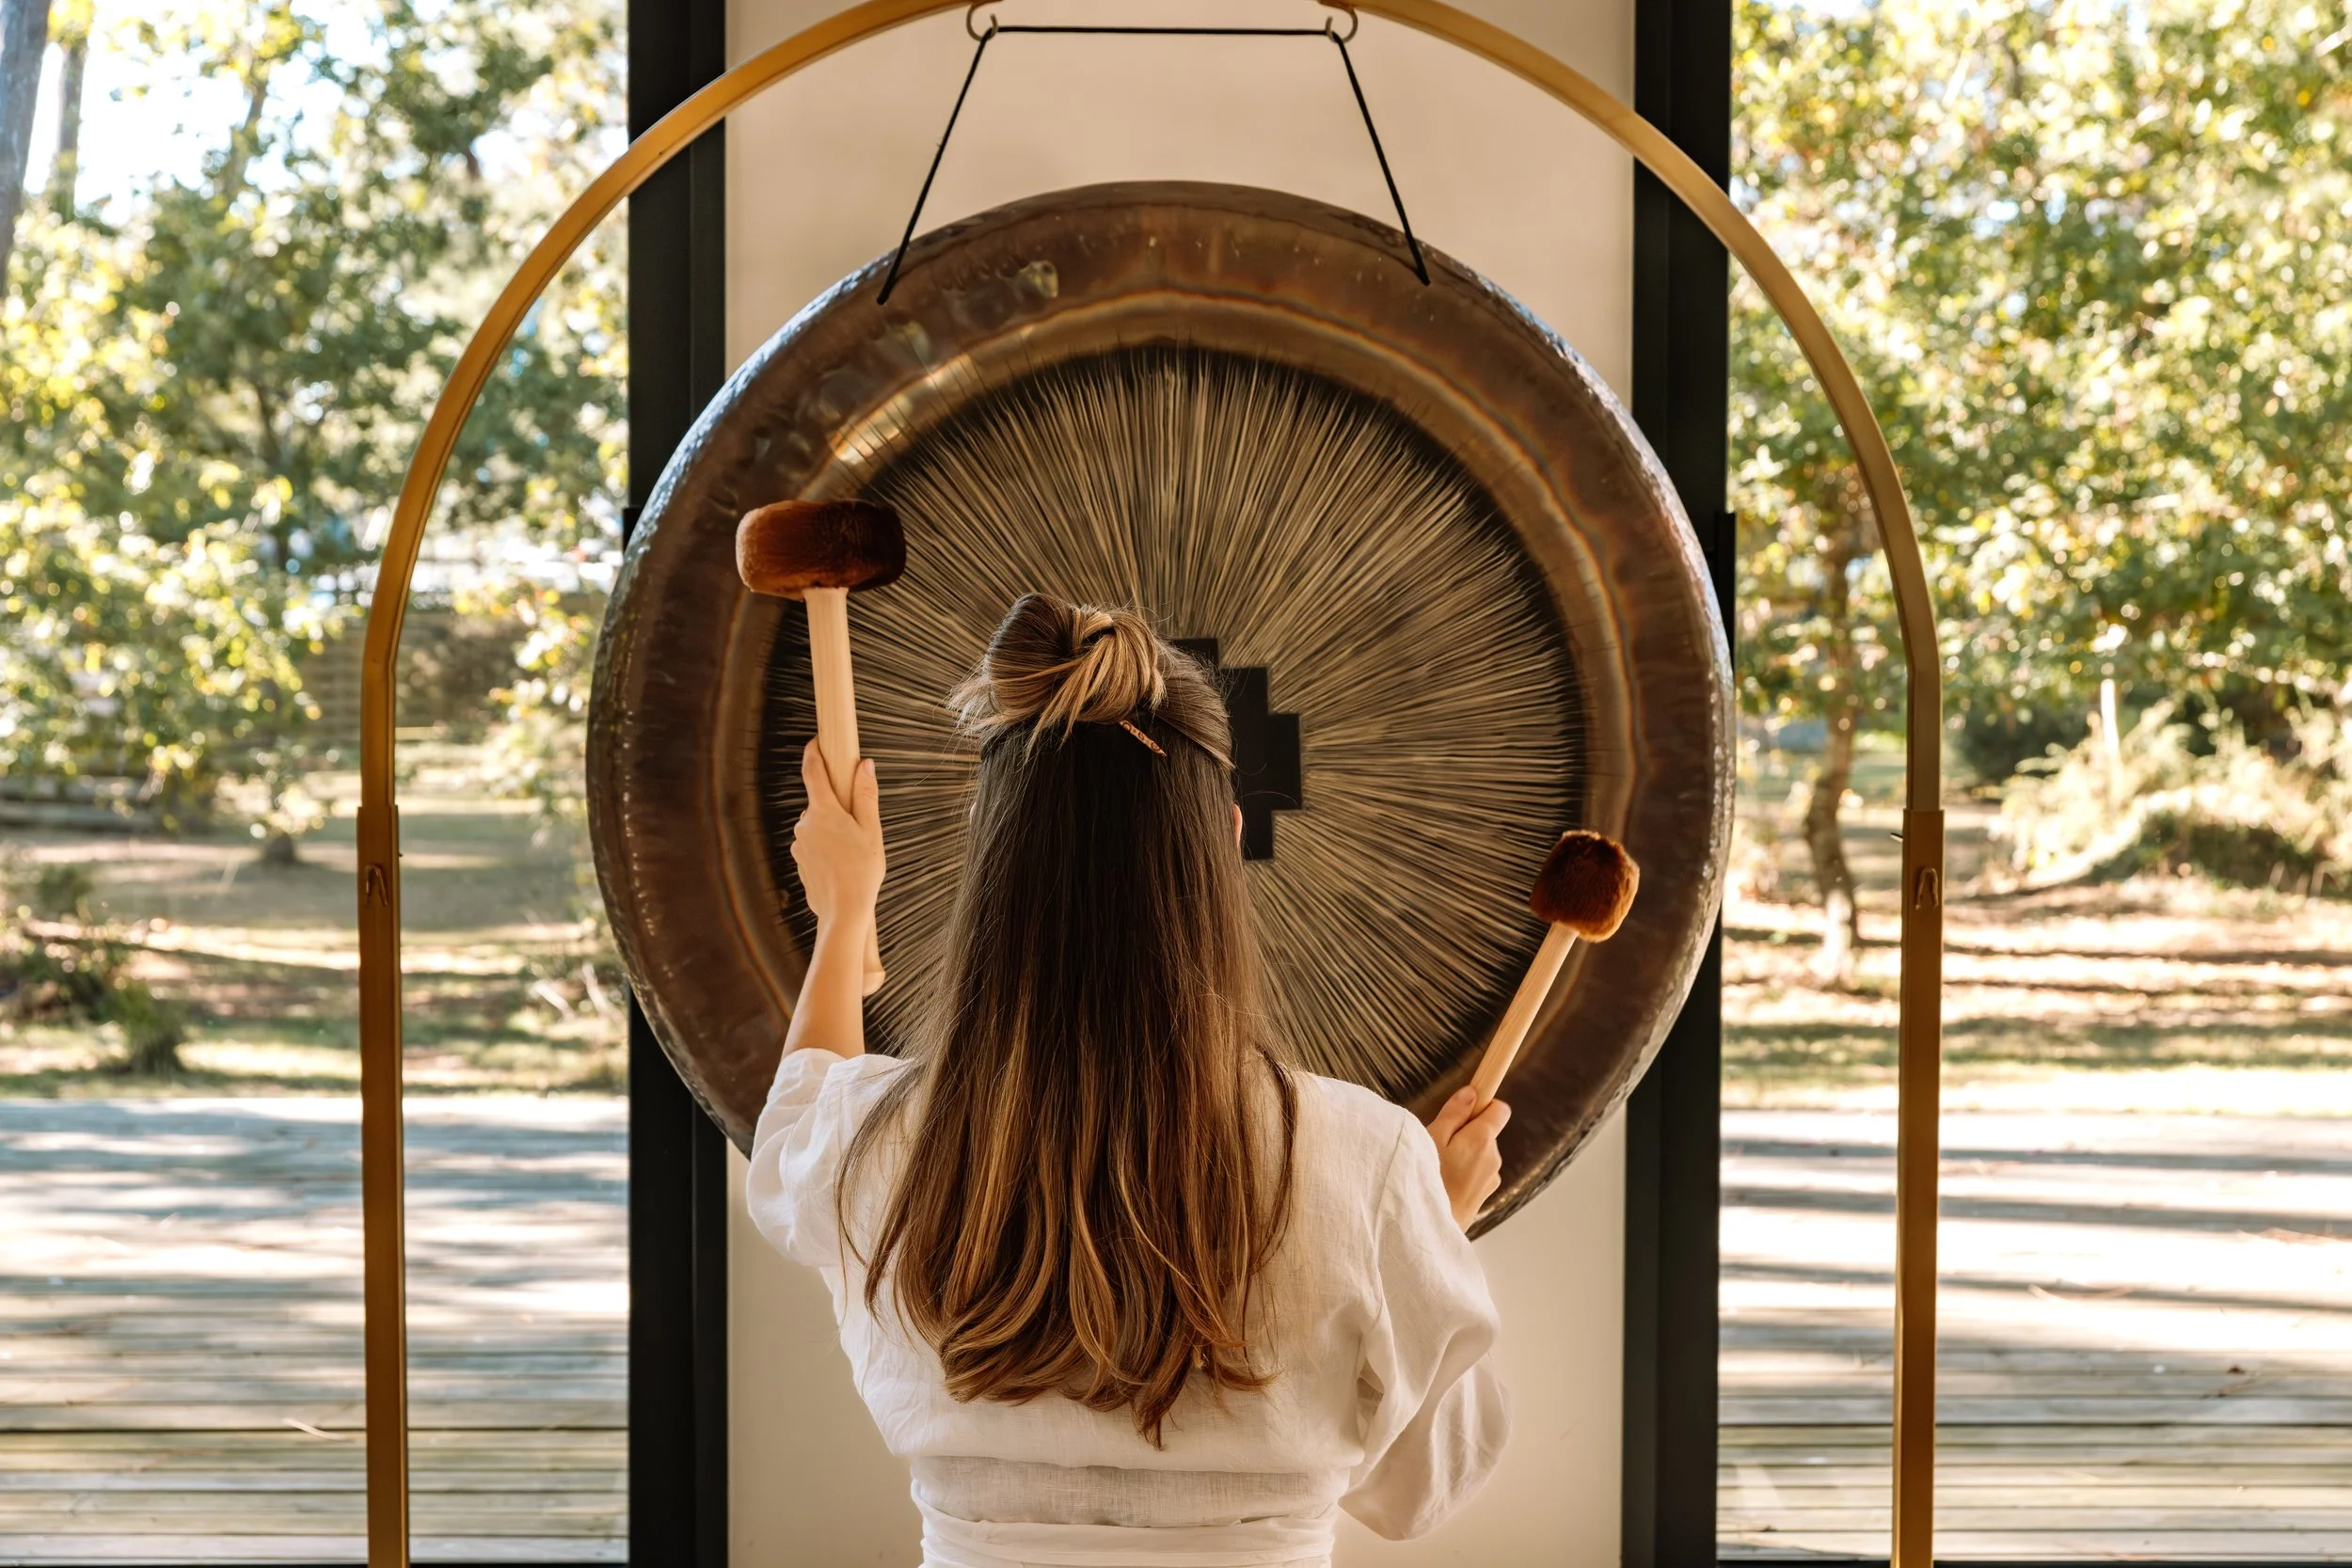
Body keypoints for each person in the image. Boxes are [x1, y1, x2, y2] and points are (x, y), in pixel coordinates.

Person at [746, 592, 1513, 1568]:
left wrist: (846, 913)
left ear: (993, 847)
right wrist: (1425, 1226)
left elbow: (795, 1120)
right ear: (1225, 833)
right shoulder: (1367, 1159)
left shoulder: (867, 1140)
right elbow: (1423, 1485)